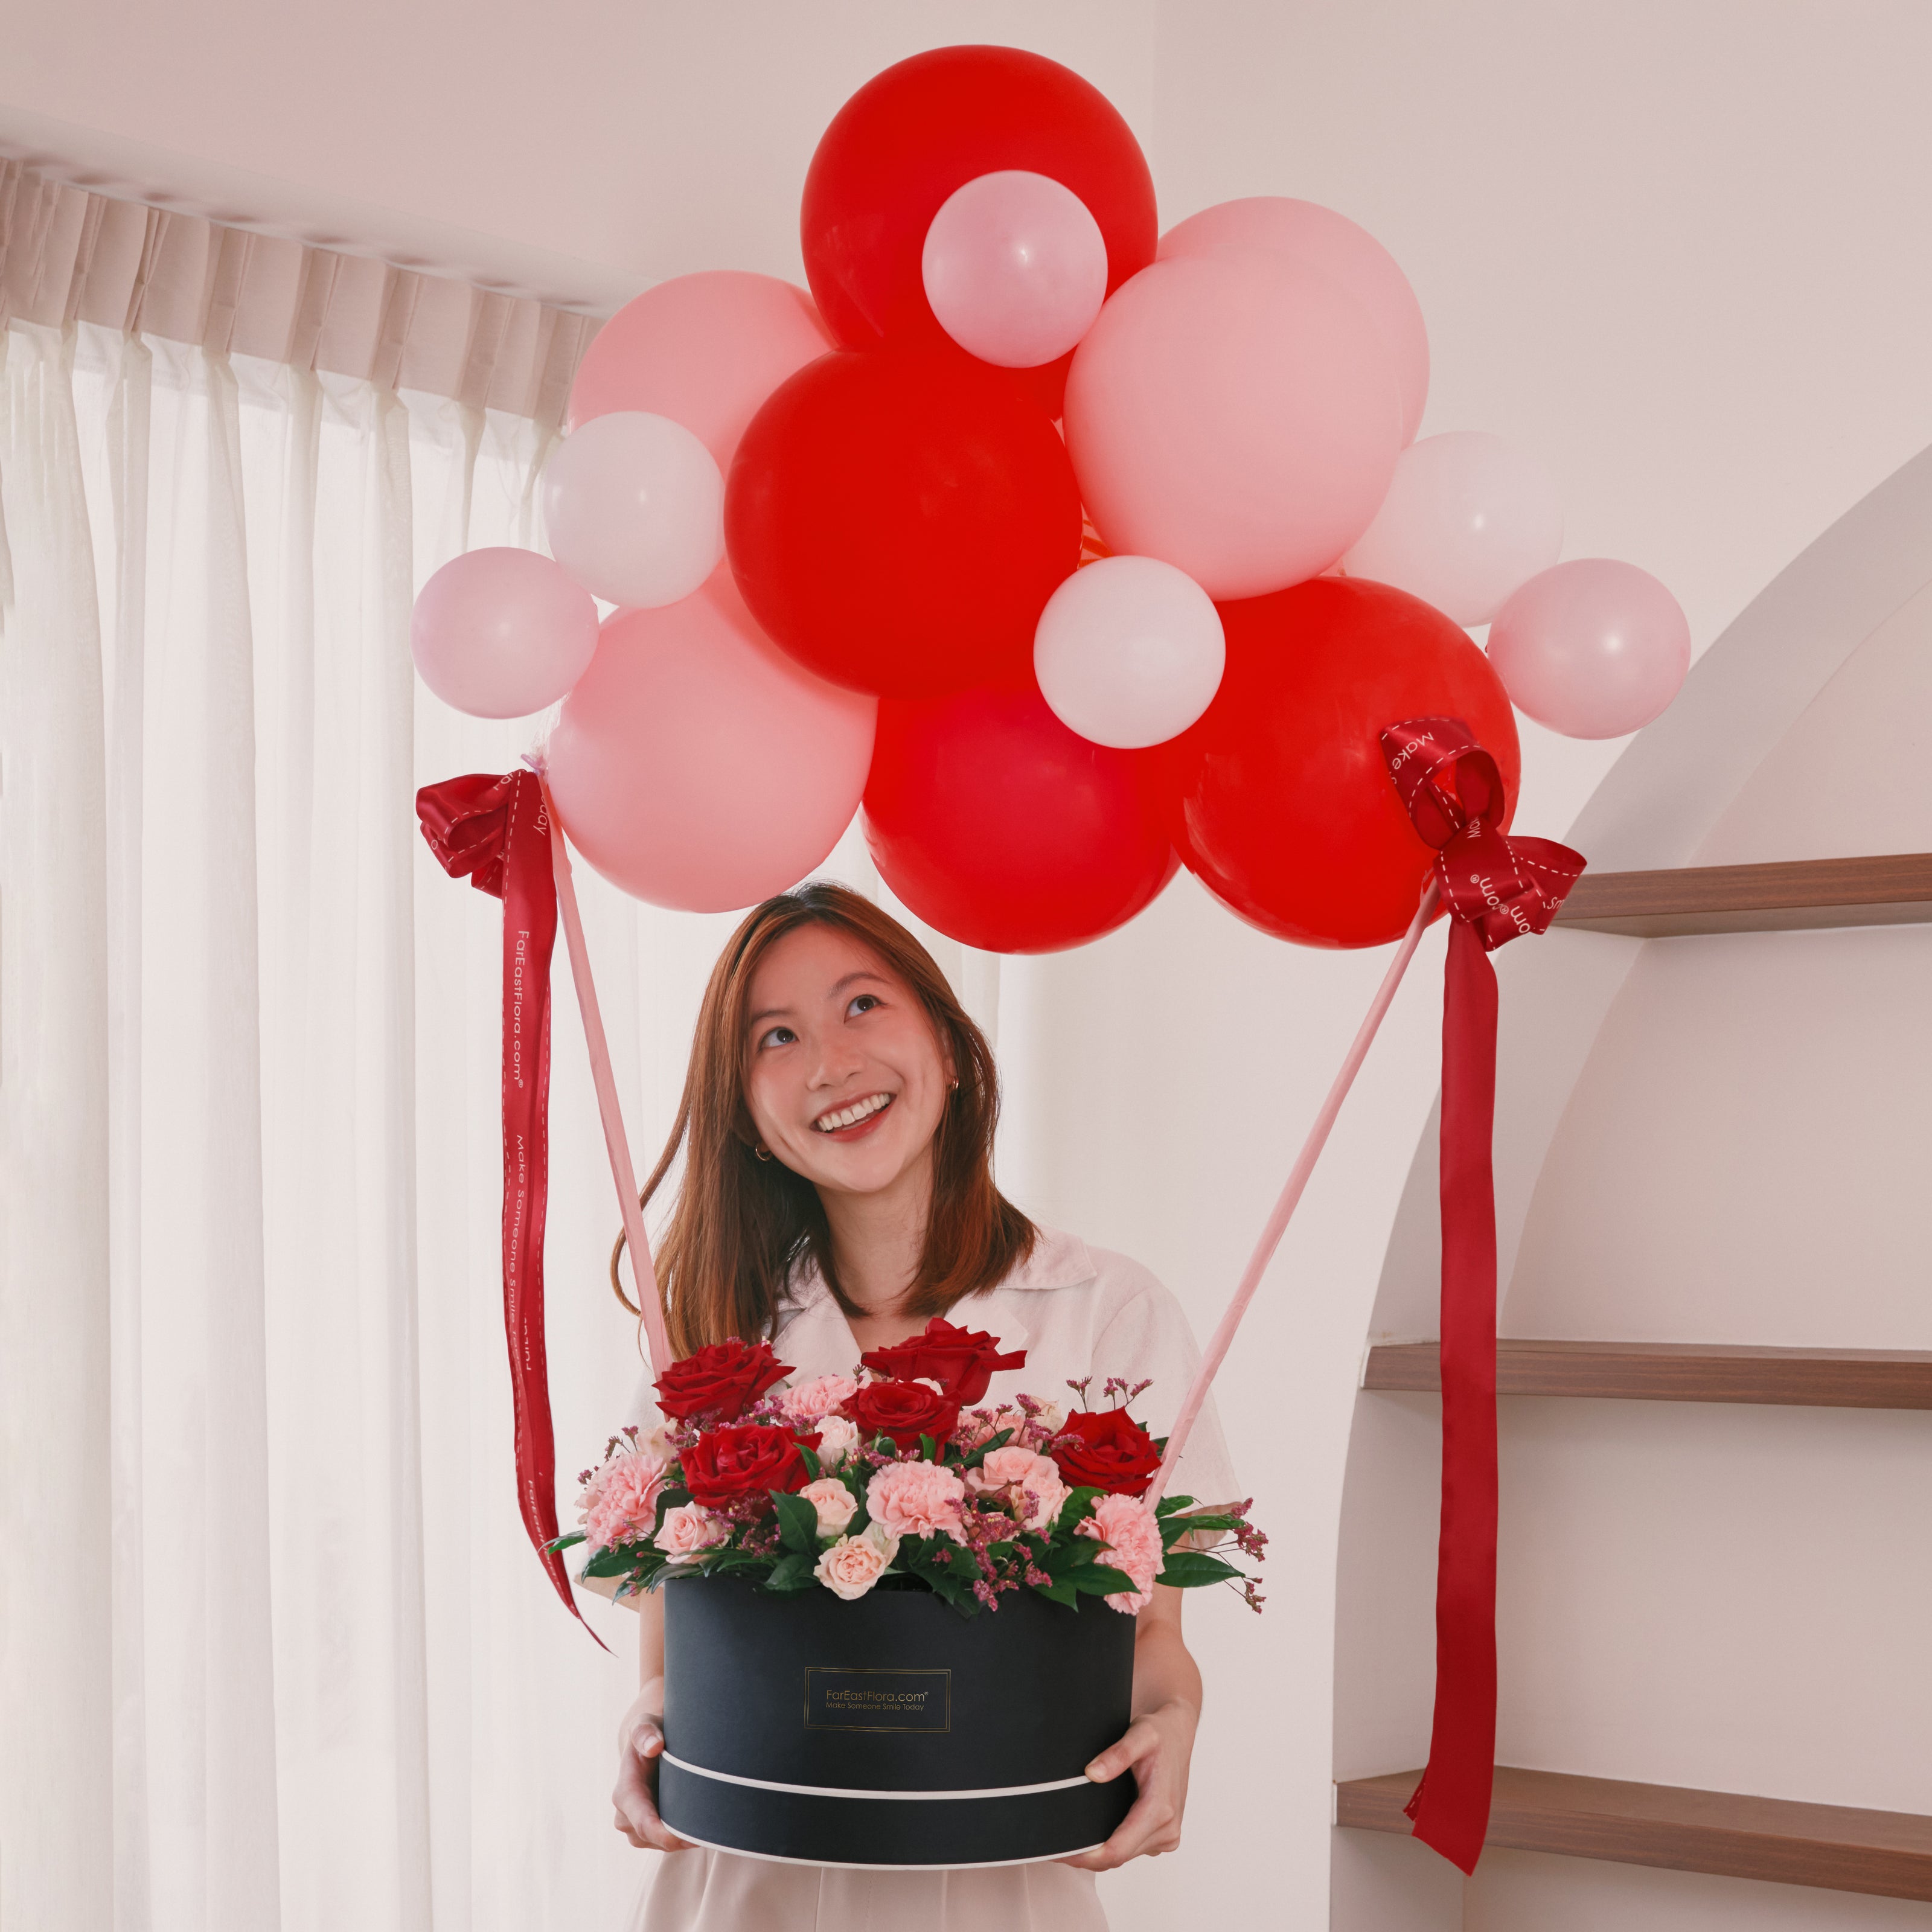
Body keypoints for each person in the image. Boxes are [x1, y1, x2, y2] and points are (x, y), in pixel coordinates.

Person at [609, 882, 1238, 1931]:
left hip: (1004, 1883)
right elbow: (675, 1662)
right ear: (750, 1120)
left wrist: (1175, 1722)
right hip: (746, 1889)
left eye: (863, 1005)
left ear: (950, 1048)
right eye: (777, 1035)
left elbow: (1154, 1631)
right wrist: (642, 1731)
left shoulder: (1110, 1315)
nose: (830, 1063)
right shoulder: (712, 1340)